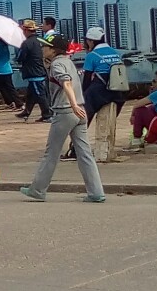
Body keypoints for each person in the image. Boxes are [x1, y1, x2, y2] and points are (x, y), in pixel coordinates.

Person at [20, 35, 105, 203]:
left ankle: (37, 190)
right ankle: (96, 192)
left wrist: (72, 105)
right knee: (85, 154)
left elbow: (66, 82)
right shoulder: (67, 62)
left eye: (46, 46)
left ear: (54, 50)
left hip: (66, 111)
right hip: (80, 111)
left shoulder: (57, 64)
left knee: (51, 153)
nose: (42, 49)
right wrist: (76, 106)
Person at [78, 26, 127, 162]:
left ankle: (75, 149)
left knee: (82, 118)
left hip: (99, 90)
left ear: (91, 41)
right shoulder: (115, 52)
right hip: (118, 91)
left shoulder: (92, 55)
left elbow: (87, 79)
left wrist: (83, 96)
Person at [15, 20, 53, 123]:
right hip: (41, 69)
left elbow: (20, 57)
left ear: (26, 31)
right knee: (31, 94)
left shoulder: (27, 43)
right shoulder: (41, 40)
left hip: (33, 72)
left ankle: (47, 115)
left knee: (40, 94)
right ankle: (27, 111)